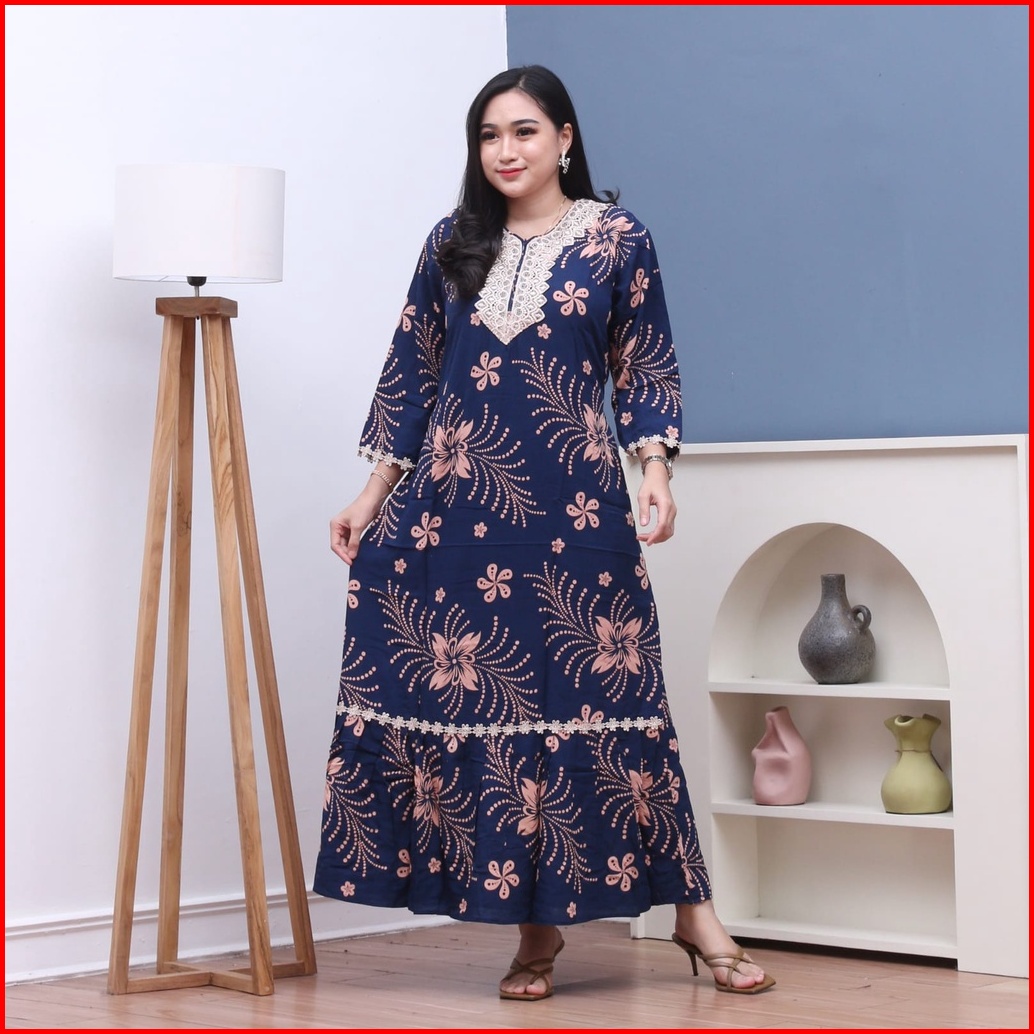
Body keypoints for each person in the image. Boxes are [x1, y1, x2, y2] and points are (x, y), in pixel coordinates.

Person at [313, 64, 775, 1001]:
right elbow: (412, 369)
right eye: (489, 135)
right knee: (498, 703)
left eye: (524, 131)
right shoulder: (452, 243)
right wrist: (371, 492)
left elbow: (644, 359)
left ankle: (693, 916)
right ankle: (534, 932)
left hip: (574, 507)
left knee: (613, 698)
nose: (506, 150)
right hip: (456, 513)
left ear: (564, 138)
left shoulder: (616, 239)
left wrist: (654, 470)